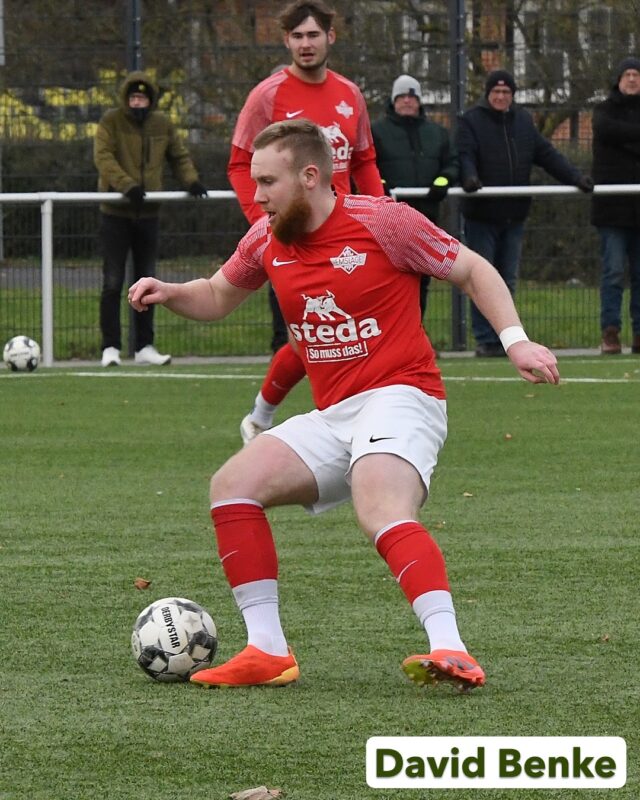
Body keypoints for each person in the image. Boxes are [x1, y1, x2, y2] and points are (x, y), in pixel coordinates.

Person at [129, 119, 560, 691]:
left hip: (403, 396)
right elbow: (218, 294)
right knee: (232, 485)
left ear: (311, 176)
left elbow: (473, 269)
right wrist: (171, 292)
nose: (256, 195)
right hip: (336, 414)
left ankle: (451, 647)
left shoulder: (383, 221)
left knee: (378, 505)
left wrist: (515, 340)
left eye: (267, 181)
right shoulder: (266, 237)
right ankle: (268, 650)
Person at [227, 0, 384, 442]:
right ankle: (270, 416)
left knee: (347, 327)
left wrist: (380, 215)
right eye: (297, 36)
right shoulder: (268, 95)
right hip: (294, 235)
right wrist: (264, 219)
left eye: (313, 35)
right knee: (311, 332)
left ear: (331, 37)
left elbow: (365, 160)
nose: (306, 44)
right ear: (286, 41)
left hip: (349, 234)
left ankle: (267, 416)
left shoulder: (350, 94)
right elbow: (240, 164)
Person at [457, 69, 594, 357]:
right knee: (481, 279)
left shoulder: (523, 122)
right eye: (496, 92)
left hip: (514, 215)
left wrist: (575, 178)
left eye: (506, 93)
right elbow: (465, 155)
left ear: (513, 95)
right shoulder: (471, 121)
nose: (501, 96)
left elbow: (547, 155)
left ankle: (506, 338)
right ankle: (485, 339)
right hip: (482, 216)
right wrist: (469, 178)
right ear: (488, 93)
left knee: (507, 280)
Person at [95, 70, 207, 367]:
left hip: (149, 214)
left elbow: (179, 156)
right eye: (133, 97)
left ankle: (144, 344)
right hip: (115, 213)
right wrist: (126, 186)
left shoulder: (162, 124)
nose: (137, 102)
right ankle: (110, 347)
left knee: (146, 282)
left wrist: (191, 181)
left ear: (150, 100)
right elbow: (103, 157)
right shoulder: (111, 121)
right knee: (112, 281)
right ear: (125, 99)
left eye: (142, 97)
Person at [372, 73, 459, 317]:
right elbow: (368, 165)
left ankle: (415, 333)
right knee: (389, 278)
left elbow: (452, 164)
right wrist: (381, 186)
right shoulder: (377, 131)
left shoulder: (437, 133)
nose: (407, 102)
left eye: (412, 97)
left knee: (421, 278)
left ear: (419, 101)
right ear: (393, 101)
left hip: (426, 215)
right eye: (402, 97)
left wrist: (442, 182)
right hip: (388, 219)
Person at [591, 57, 640, 355]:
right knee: (612, 274)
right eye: (628, 74)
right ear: (618, 79)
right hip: (612, 211)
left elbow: (620, 136)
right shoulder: (603, 111)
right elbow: (609, 131)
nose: (632, 79)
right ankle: (611, 332)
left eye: (637, 74)